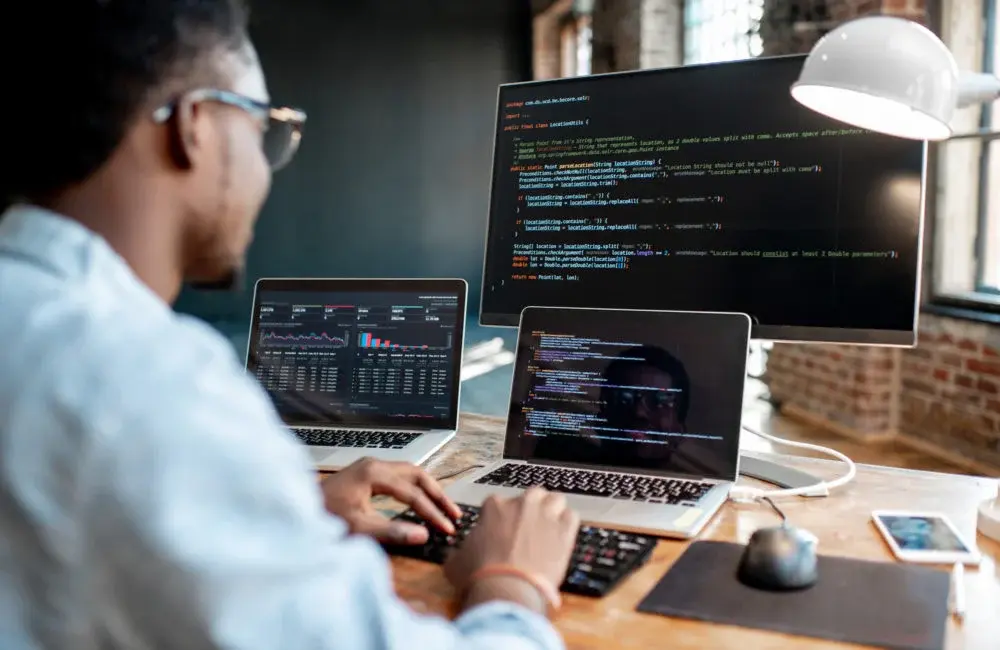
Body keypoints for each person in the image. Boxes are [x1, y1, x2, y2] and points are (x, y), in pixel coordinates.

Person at [0, 2, 579, 649]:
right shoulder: (152, 386)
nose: (265, 171)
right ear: (194, 126)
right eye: (264, 130)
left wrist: (283, 518)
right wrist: (513, 583)